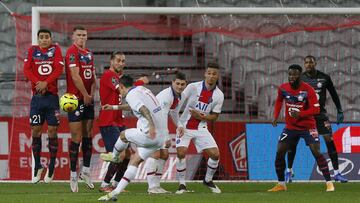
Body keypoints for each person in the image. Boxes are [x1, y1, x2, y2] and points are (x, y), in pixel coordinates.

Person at [98, 75, 167, 201]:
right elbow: (133, 106)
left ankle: (114, 156)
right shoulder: (141, 89)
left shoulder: (131, 95)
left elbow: (143, 109)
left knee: (123, 135)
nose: (119, 91)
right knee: (134, 161)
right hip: (161, 137)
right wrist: (113, 107)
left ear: (123, 86)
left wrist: (151, 125)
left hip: (150, 134)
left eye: (119, 88)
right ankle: (114, 193)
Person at [268, 64, 334, 192]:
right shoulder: (283, 88)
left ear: (300, 75)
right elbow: (278, 101)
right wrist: (275, 116)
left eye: (295, 74)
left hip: (308, 127)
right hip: (290, 127)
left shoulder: (308, 90)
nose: (291, 77)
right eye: (290, 74)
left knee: (316, 152)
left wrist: (300, 114)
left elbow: (316, 109)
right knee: (279, 152)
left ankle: (329, 183)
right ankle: (281, 184)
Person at [284, 55, 347, 183]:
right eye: (306, 62)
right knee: (292, 143)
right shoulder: (299, 78)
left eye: (311, 62)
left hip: (320, 115)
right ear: (304, 64)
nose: (308, 64)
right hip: (303, 116)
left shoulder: (324, 78)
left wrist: (339, 109)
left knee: (329, 140)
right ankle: (289, 172)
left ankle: (337, 173)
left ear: (315, 63)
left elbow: (333, 94)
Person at [98, 51, 149, 192]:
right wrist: (140, 82)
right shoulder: (109, 75)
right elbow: (121, 90)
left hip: (118, 121)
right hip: (108, 121)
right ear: (111, 61)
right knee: (119, 154)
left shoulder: (116, 77)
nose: (121, 63)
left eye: (123, 61)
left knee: (128, 155)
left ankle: (115, 184)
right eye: (118, 60)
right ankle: (104, 184)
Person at [175, 62, 224, 194]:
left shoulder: (219, 95)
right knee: (181, 152)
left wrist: (201, 117)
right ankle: (182, 185)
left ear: (218, 76)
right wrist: (177, 121)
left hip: (201, 127)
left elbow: (214, 117)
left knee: (215, 154)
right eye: (209, 73)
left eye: (214, 74)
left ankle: (208, 180)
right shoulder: (192, 87)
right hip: (185, 126)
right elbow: (178, 100)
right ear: (205, 74)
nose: (211, 76)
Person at [23, 29, 63, 183]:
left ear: (51, 39)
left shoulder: (56, 49)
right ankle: (38, 166)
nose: (44, 39)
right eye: (41, 37)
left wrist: (46, 82)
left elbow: (59, 69)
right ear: (38, 39)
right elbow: (26, 70)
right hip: (37, 99)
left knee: (52, 131)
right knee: (36, 131)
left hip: (51, 98)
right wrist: (38, 83)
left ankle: (51, 166)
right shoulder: (32, 50)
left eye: (47, 37)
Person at [65, 26, 96, 192]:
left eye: (84, 35)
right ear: (73, 36)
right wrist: (84, 94)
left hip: (88, 99)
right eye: (79, 35)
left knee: (88, 135)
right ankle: (72, 174)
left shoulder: (89, 53)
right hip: (75, 99)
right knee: (76, 137)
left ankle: (86, 171)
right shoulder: (72, 52)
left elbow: (92, 75)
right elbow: (75, 76)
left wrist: (91, 93)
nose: (82, 37)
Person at [145, 72, 187, 194]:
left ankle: (157, 186)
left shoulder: (181, 96)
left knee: (164, 154)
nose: (179, 86)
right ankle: (151, 187)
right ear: (172, 83)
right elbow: (162, 116)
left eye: (182, 84)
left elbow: (174, 112)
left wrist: (179, 125)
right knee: (155, 154)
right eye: (177, 83)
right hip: (150, 124)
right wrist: (166, 136)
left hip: (158, 124)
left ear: (185, 85)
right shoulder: (166, 96)